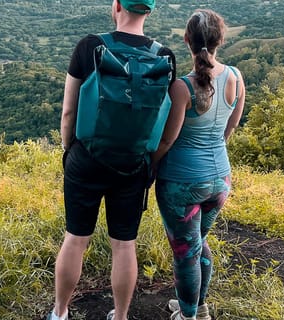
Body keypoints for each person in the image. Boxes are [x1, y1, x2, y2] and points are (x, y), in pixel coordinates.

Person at [50, 1, 175, 320]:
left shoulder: (89, 46)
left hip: (87, 159)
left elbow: (68, 113)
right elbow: (162, 120)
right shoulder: (165, 57)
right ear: (150, 10)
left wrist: (70, 151)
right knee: (124, 244)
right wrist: (151, 160)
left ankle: (60, 312)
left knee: (76, 238)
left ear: (116, 5)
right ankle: (119, 316)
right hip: (134, 163)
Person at [151, 9, 245, 320]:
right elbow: (229, 130)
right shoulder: (235, 77)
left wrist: (148, 169)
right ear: (221, 39)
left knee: (185, 253)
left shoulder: (182, 88)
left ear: (186, 40)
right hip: (220, 179)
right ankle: (197, 307)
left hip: (182, 183)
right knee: (198, 243)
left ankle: (188, 316)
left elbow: (166, 141)